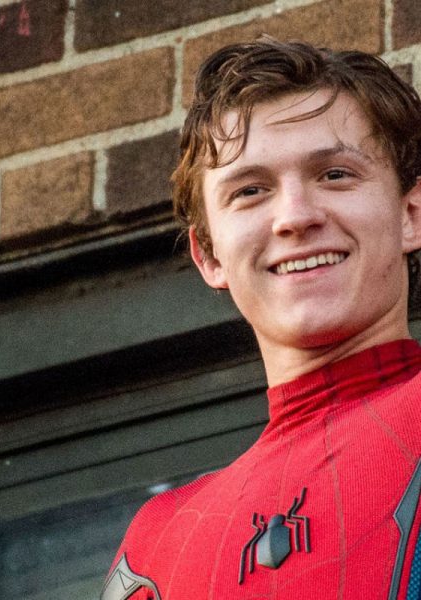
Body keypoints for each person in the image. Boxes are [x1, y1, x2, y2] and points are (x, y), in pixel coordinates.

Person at [101, 38, 421, 599]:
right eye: (250, 191)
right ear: (209, 256)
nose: (294, 217)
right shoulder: (155, 549)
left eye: (335, 175)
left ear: (411, 215)